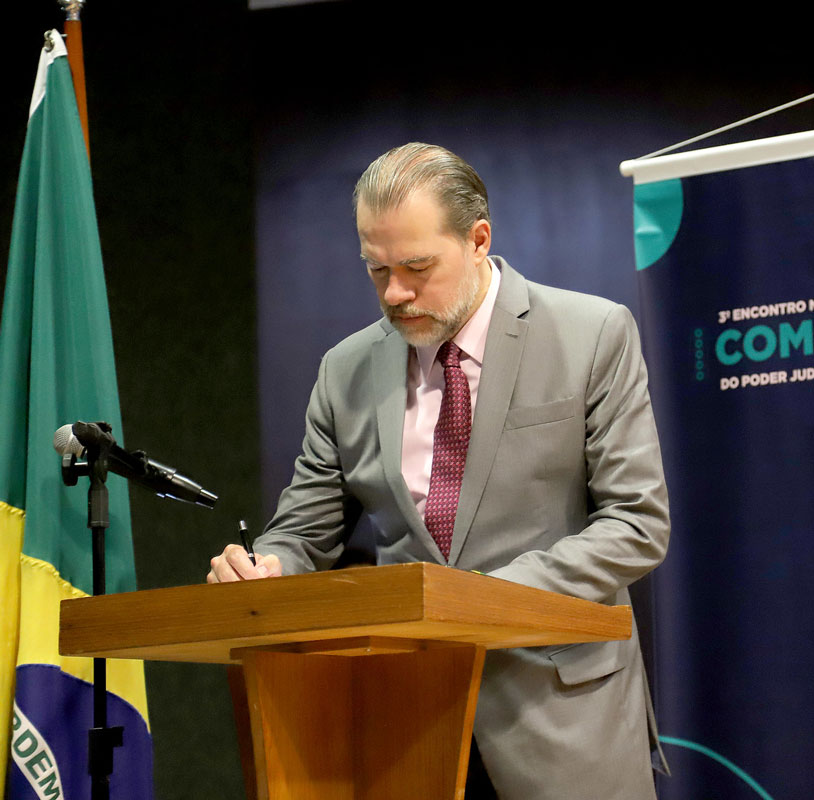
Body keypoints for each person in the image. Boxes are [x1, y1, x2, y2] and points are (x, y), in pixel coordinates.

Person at [207, 143, 670, 798]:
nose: (395, 293)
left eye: (417, 267)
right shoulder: (345, 370)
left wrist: (480, 599)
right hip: (408, 728)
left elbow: (636, 524)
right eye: (377, 269)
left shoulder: (591, 333)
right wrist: (267, 568)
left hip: (563, 721)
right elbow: (303, 532)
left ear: (478, 240)